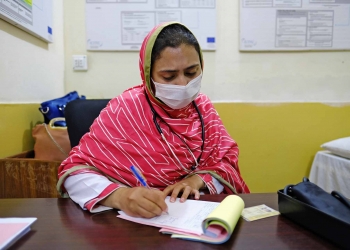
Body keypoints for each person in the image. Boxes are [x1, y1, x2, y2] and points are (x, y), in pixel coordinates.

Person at [57, 21, 249, 218]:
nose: (183, 84)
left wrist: (196, 180)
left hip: (194, 219)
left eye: (191, 72)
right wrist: (120, 196)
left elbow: (226, 162)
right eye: (168, 76)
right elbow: (74, 171)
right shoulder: (126, 109)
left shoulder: (203, 107)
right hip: (132, 226)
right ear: (147, 74)